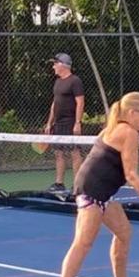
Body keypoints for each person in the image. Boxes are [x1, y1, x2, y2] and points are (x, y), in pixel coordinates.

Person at [48, 91, 139, 277]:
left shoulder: (114, 128)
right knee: (83, 243)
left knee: (124, 232)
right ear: (131, 113)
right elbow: (131, 175)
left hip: (101, 193)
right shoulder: (129, 132)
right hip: (92, 193)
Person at [43, 52, 85, 192]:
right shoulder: (57, 82)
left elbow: (80, 102)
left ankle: (77, 185)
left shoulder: (75, 81)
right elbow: (54, 103)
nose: (53, 66)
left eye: (55, 64)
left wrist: (77, 123)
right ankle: (59, 183)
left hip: (71, 122)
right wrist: (49, 123)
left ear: (62, 65)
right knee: (58, 152)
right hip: (58, 123)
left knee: (74, 152)